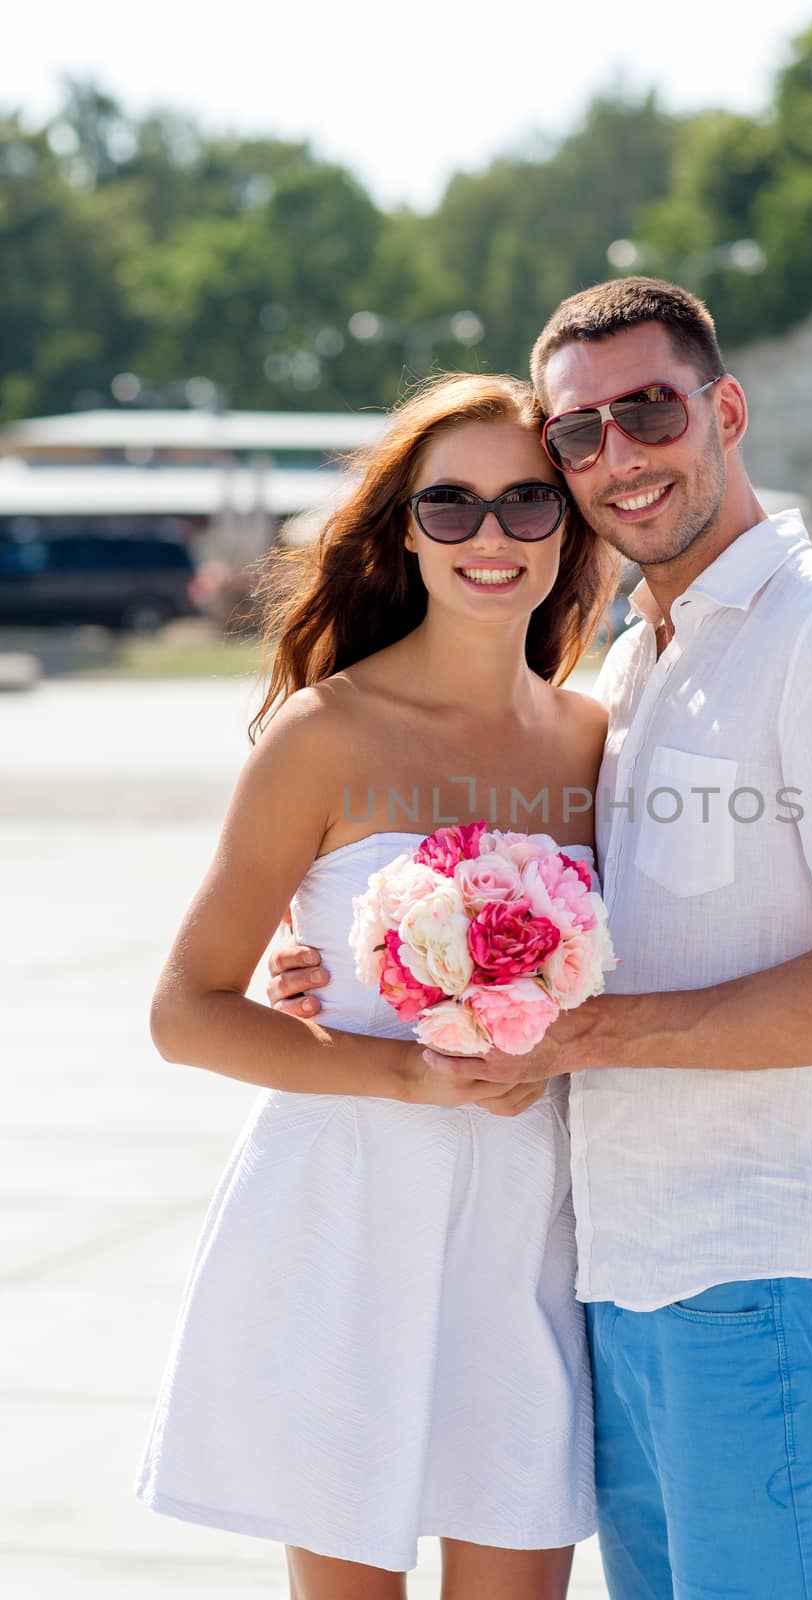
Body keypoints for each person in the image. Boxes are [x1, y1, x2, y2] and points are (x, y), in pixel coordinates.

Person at [274, 280, 812, 1600]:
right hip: (618, 1280)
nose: (616, 457)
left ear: (724, 408)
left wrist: (579, 1035)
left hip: (760, 1284)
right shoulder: (630, 674)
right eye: (576, 434)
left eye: (647, 410)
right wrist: (353, 967)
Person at [135, 372, 619, 1600]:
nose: (492, 536)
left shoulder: (593, 742)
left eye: (525, 501)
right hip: (347, 1217)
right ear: (405, 529)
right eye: (449, 505)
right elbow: (186, 1009)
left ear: (570, 520)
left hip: (529, 1224)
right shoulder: (322, 735)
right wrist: (396, 1061)